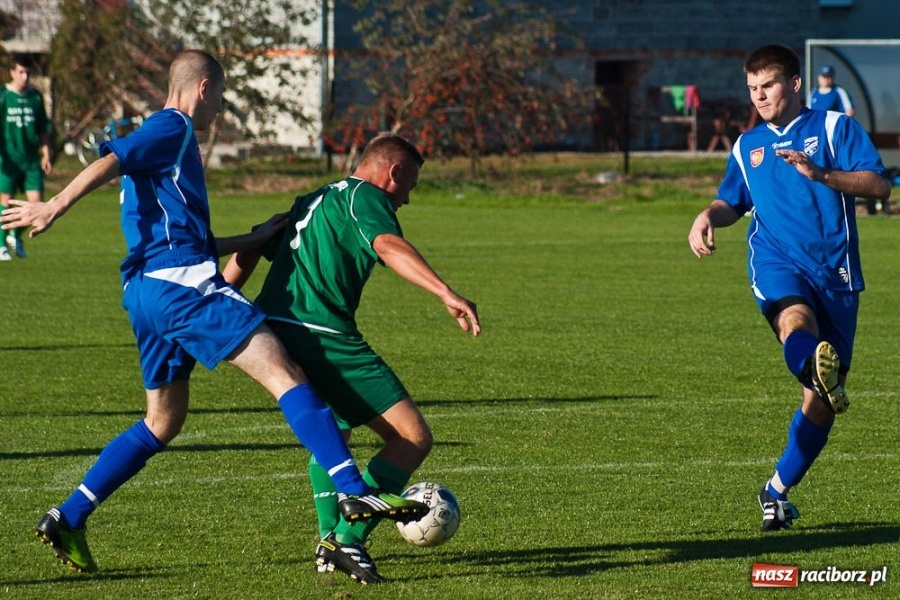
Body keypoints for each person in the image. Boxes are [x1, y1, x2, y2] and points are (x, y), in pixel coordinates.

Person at [0, 50, 427, 575]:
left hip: (146, 290)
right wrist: (54, 205)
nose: (219, 108)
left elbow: (187, 239)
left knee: (162, 421)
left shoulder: (170, 152)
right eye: (220, 96)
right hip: (182, 286)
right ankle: (353, 489)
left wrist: (253, 238)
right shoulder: (173, 126)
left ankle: (69, 516)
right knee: (285, 371)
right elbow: (113, 160)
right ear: (203, 88)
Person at [222, 133, 481, 584]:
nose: (406, 200)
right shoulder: (366, 196)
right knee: (412, 436)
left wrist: (224, 299)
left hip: (276, 331)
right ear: (393, 173)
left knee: (335, 431)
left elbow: (252, 243)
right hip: (321, 335)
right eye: (409, 187)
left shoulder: (314, 198)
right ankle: (346, 540)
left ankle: (329, 541)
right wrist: (445, 292)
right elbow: (387, 245)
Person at [688, 44, 890, 532]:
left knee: (819, 403)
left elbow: (880, 186)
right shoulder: (747, 146)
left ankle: (775, 491)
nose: (758, 96)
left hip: (836, 273)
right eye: (752, 88)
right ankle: (810, 359)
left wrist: (821, 174)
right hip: (776, 261)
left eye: (768, 85)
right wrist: (707, 215)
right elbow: (731, 201)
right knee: (794, 320)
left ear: (794, 84)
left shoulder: (835, 128)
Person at [0, 54, 52, 260]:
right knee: (6, 201)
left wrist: (46, 154)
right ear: (12, 72)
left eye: (28, 73)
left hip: (31, 161)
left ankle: (14, 234)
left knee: (37, 203)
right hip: (8, 160)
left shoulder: (35, 97)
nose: (24, 77)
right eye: (20, 72)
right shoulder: (4, 96)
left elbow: (43, 129)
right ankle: (1, 244)